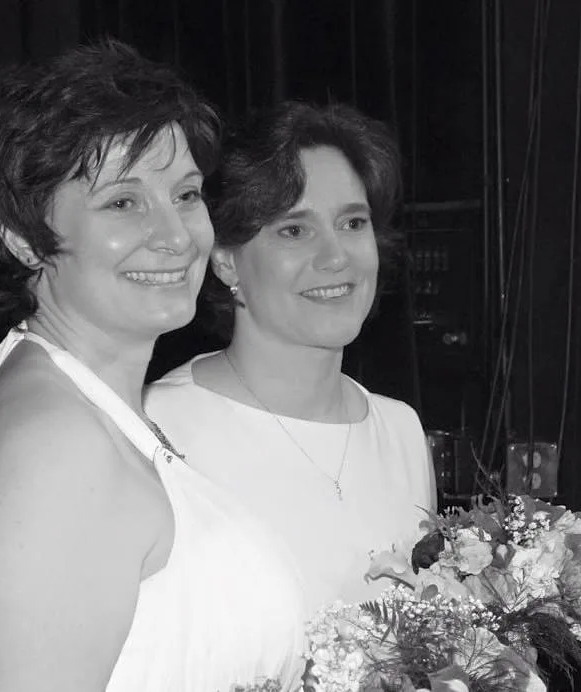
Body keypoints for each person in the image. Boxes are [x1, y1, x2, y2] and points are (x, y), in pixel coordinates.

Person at [0, 42, 305, 692]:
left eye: (185, 194)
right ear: (22, 238)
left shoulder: (84, 407)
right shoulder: (51, 452)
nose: (176, 235)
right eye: (123, 203)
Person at [145, 101, 437, 619]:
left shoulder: (402, 432)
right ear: (225, 260)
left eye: (353, 222)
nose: (336, 256)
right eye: (294, 231)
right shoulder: (159, 429)